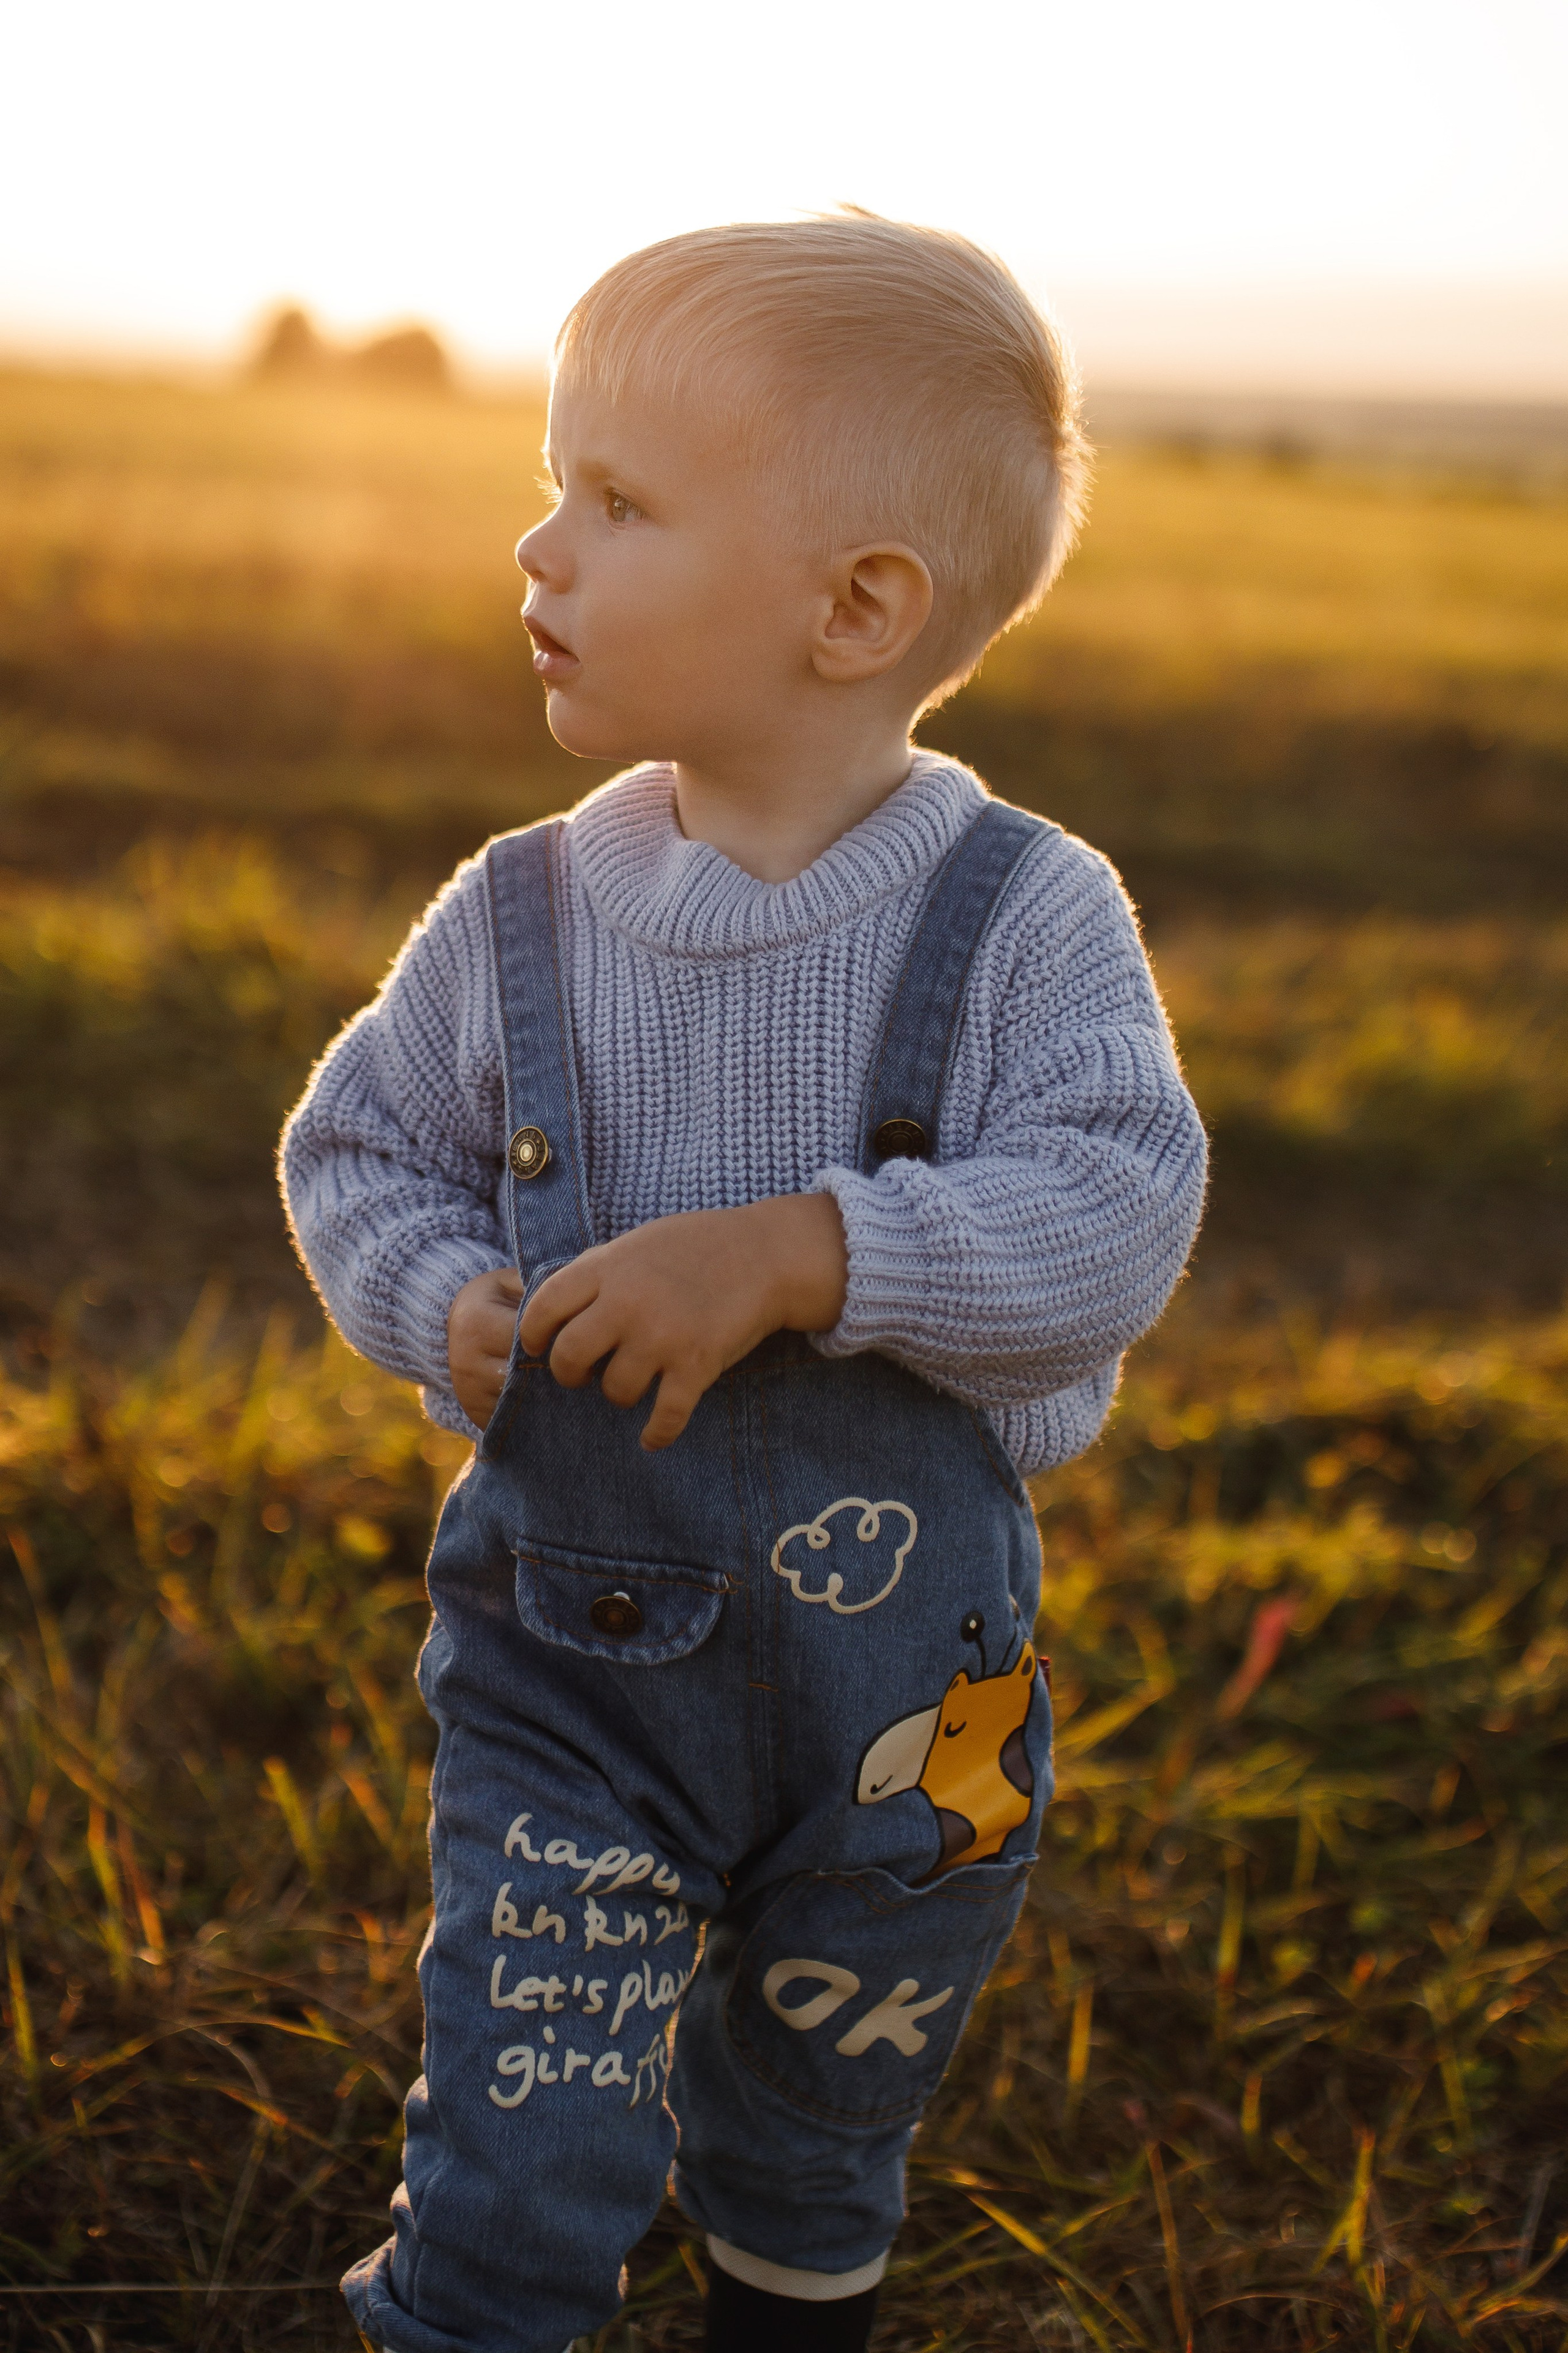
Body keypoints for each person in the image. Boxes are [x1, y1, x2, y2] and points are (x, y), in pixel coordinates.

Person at [281, 211, 1207, 2353]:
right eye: (554, 486)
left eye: (614, 502)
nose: (539, 548)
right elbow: (357, 1149)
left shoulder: (1024, 922)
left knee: (814, 2133)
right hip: (577, 1696)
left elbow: (1118, 1204)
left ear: (855, 606)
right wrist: (446, 1304)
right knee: (522, 2138)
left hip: (911, 1731)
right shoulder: (526, 914)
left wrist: (813, 1250)